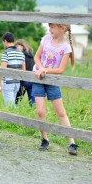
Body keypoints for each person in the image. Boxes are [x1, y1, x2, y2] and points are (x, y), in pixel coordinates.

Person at [32, 23, 78, 155]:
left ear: (61, 28)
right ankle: (44, 139)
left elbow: (60, 69)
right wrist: (41, 69)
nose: (49, 29)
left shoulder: (66, 47)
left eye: (52, 27)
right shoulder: (46, 39)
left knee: (61, 113)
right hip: (38, 77)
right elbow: (36, 57)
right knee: (40, 112)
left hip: (52, 80)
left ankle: (72, 142)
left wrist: (45, 70)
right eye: (49, 27)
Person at [0, 32, 26, 107]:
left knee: (10, 107)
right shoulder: (21, 53)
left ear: (5, 41)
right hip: (17, 83)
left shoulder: (6, 53)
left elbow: (3, 69)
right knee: (13, 104)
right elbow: (23, 70)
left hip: (8, 82)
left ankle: (16, 118)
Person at [15, 39, 35, 106]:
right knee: (33, 103)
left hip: (23, 80)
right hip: (32, 80)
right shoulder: (32, 55)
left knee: (16, 101)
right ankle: (34, 115)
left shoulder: (20, 55)